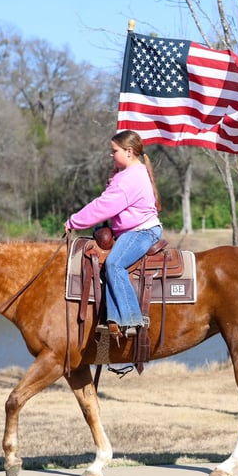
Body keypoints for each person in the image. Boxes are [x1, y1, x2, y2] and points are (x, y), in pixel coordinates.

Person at [65, 130, 162, 338]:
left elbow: (103, 206)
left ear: (129, 151)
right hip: (134, 230)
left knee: (114, 264)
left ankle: (132, 319)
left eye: (114, 150)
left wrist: (74, 221)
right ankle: (113, 319)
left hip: (141, 231)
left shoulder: (130, 178)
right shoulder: (130, 174)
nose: (111, 154)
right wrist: (113, 181)